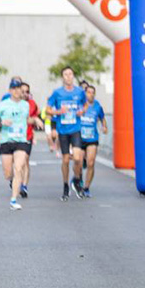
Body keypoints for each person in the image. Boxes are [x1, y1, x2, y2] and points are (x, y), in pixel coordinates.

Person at [0, 79, 37, 210]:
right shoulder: (4, 104)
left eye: (20, 89)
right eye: (15, 88)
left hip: (21, 141)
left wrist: (35, 120)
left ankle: (13, 200)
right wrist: (1, 122)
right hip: (6, 141)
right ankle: (12, 181)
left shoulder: (25, 105)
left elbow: (26, 119)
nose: (18, 91)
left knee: (18, 168)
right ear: (10, 90)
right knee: (7, 173)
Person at [46, 67, 86, 200]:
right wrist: (58, 112)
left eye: (70, 74)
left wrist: (82, 111)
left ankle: (76, 179)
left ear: (73, 76)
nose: (68, 76)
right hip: (63, 130)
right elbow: (47, 110)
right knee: (65, 160)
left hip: (76, 129)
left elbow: (85, 105)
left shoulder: (80, 92)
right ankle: (65, 185)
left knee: (78, 158)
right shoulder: (57, 93)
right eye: (65, 74)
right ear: (62, 77)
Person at [78, 85, 107, 197]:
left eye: (92, 92)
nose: (91, 94)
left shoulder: (97, 106)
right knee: (78, 163)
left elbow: (102, 118)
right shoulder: (80, 105)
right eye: (88, 92)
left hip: (92, 138)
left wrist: (104, 127)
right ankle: (78, 180)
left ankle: (86, 187)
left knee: (91, 163)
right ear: (85, 94)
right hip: (80, 137)